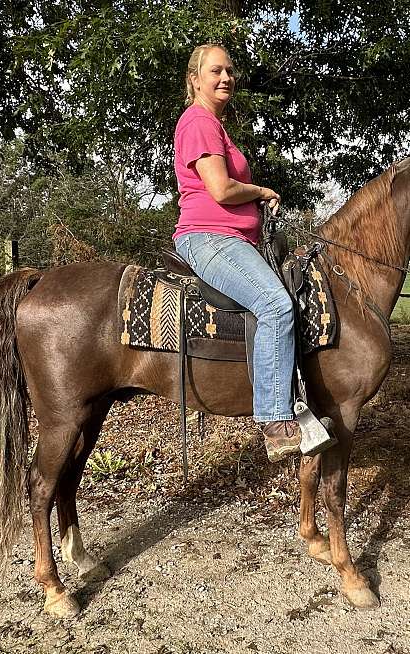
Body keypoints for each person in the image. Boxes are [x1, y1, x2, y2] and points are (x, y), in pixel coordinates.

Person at [173, 43, 300, 462]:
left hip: (233, 238)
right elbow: (221, 189)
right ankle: (274, 419)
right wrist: (262, 191)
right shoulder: (198, 122)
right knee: (276, 306)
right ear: (195, 80)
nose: (225, 77)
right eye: (215, 71)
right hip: (209, 237)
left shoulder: (215, 125)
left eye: (229, 70)